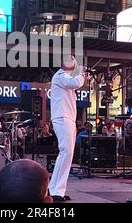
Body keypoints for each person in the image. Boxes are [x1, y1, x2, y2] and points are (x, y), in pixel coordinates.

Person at [49, 54, 86, 202]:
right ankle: (55, 191)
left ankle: (58, 189)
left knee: (67, 154)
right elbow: (76, 83)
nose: (74, 61)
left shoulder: (66, 77)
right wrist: (82, 73)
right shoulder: (60, 75)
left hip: (68, 118)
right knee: (66, 152)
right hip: (62, 117)